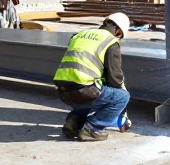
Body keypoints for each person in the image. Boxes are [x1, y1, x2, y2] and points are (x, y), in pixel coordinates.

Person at [53, 12, 133, 142]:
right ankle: (92, 129)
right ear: (117, 31)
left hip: (63, 90)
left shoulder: (80, 35)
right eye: (120, 36)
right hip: (83, 89)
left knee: (96, 94)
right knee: (122, 97)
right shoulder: (110, 41)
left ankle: (73, 122)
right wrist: (122, 109)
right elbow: (114, 78)